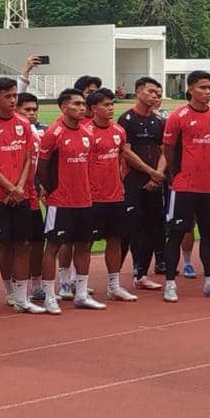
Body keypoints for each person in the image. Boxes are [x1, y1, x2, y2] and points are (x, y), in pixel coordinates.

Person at [161, 71, 210, 303]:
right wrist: (176, 172)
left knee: (209, 235)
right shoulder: (178, 116)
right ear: (190, 89)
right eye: (202, 87)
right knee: (176, 235)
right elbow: (168, 149)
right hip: (184, 186)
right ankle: (169, 284)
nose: (207, 92)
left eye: (209, 87)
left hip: (209, 188)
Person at [0, 77, 39, 318]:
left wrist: (20, 186)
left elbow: (27, 157)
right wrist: (10, 187)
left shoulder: (23, 123)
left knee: (22, 244)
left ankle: (22, 298)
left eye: (15, 96)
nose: (13, 100)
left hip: (20, 193)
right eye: (8, 96)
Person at [37, 88, 103, 312]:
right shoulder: (53, 133)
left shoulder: (87, 134)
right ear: (64, 107)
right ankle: (49, 295)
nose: (82, 108)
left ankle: (82, 294)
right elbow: (42, 168)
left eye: (83, 104)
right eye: (76, 104)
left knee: (84, 245)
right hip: (60, 201)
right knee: (53, 247)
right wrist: (52, 191)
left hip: (84, 201)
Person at [84, 88, 139, 302]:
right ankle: (78, 283)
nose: (110, 108)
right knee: (84, 242)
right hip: (91, 197)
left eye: (112, 104)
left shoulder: (118, 131)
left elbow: (120, 158)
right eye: (105, 105)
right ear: (93, 108)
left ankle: (114, 285)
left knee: (115, 239)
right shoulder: (86, 132)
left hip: (115, 195)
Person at [116, 77, 167, 290]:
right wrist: (150, 172)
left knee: (154, 227)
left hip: (155, 183)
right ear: (138, 92)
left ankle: (142, 274)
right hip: (133, 181)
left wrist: (158, 175)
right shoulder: (126, 119)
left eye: (157, 92)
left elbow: (164, 150)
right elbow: (126, 152)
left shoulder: (159, 121)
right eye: (150, 91)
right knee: (129, 229)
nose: (155, 96)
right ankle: (115, 277)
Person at [17, 92, 50, 305]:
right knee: (17, 244)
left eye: (34, 109)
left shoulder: (40, 132)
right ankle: (15, 288)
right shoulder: (13, 131)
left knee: (38, 241)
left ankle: (37, 286)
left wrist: (43, 186)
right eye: (27, 109)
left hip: (33, 193)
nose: (32, 113)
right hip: (15, 193)